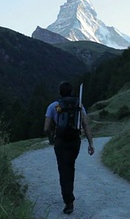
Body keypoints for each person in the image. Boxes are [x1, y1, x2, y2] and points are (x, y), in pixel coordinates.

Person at [44, 81, 95, 215]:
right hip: (74, 142)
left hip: (60, 142)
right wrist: (91, 144)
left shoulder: (53, 106)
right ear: (71, 92)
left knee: (63, 169)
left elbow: (46, 128)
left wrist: (51, 139)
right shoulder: (79, 106)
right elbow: (86, 125)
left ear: (60, 92)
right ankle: (69, 197)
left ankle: (68, 201)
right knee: (70, 167)